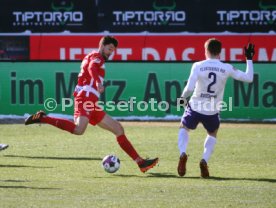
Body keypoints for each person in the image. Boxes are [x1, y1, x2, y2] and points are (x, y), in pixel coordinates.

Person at [25, 36, 158, 173]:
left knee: (118, 129)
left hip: (90, 101)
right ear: (102, 46)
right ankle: (43, 118)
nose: (110, 52)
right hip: (86, 98)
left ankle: (140, 162)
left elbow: (89, 68)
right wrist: (97, 82)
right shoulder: (97, 58)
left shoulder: (91, 55)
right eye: (109, 49)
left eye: (113, 50)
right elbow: (92, 68)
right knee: (79, 129)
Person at [177, 38, 255, 178]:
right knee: (212, 133)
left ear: (206, 50)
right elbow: (249, 78)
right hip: (212, 110)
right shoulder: (226, 67)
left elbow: (189, 88)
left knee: (184, 127)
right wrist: (249, 58)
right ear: (220, 52)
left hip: (195, 107)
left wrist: (182, 99)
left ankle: (182, 153)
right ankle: (204, 160)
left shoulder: (198, 65)